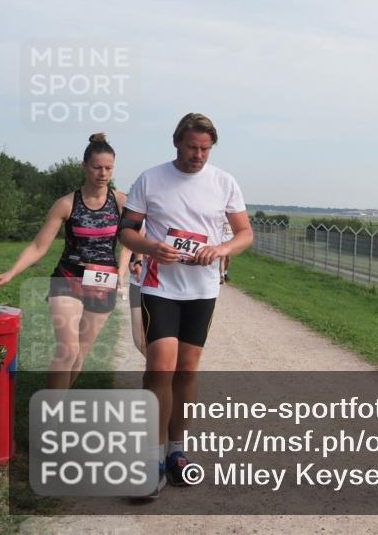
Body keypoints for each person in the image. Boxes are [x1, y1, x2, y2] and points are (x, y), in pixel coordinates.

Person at [118, 113, 252, 499]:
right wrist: (150, 247)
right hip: (159, 286)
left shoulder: (224, 182)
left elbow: (245, 234)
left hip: (201, 289)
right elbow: (127, 231)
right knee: (159, 366)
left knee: (187, 369)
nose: (198, 155)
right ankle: (150, 458)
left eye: (205, 149)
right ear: (176, 143)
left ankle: (177, 452)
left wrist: (221, 248)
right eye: (192, 147)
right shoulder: (151, 179)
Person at [0, 134, 132, 390]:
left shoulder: (121, 202)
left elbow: (131, 241)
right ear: (84, 166)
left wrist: (122, 272)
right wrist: (11, 273)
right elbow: (38, 246)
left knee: (79, 355)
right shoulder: (66, 204)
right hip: (68, 279)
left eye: (108, 168)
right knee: (67, 350)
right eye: (96, 167)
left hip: (103, 282)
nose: (102, 173)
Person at [219, 220, 233, 284]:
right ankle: (222, 276)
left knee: (228, 259)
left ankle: (225, 273)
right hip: (222, 240)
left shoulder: (232, 217)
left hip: (230, 241)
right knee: (223, 258)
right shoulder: (222, 216)